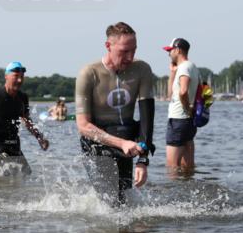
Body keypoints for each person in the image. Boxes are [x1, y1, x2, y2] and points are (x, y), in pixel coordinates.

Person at [75, 22, 156, 204]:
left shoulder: (142, 69)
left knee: (124, 200)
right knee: (109, 202)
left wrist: (143, 160)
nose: (130, 57)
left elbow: (147, 117)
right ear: (108, 46)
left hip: (127, 137)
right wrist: (121, 143)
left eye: (133, 50)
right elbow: (83, 126)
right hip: (97, 141)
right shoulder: (89, 73)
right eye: (124, 51)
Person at [163, 37, 200, 171]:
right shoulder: (192, 67)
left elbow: (183, 91)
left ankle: (172, 191)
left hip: (179, 119)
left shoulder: (184, 68)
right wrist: (172, 73)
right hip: (188, 121)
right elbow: (170, 94)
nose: (168, 54)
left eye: (170, 50)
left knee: (172, 167)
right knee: (187, 167)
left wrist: (186, 107)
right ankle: (188, 190)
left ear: (178, 50)